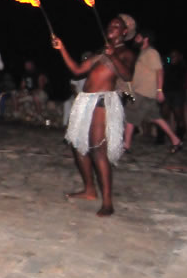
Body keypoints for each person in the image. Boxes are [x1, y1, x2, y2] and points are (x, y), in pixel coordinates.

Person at [52, 15, 136, 216]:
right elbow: (77, 69)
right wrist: (62, 48)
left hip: (103, 102)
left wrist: (113, 56)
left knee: (98, 150)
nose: (111, 27)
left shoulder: (125, 53)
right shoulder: (101, 52)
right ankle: (89, 190)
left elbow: (127, 75)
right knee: (78, 146)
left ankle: (108, 202)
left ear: (125, 32)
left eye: (117, 25)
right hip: (86, 101)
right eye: (110, 24)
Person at [122, 29, 183, 153]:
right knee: (156, 117)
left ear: (146, 39)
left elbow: (159, 71)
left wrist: (160, 90)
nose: (135, 39)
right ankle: (176, 141)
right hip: (145, 93)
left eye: (138, 37)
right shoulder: (143, 53)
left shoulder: (151, 52)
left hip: (143, 92)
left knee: (129, 116)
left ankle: (126, 146)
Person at [161, 49, 187, 141]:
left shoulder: (182, 67)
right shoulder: (166, 65)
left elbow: (183, 81)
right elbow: (164, 63)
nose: (173, 57)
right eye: (171, 56)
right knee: (164, 114)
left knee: (178, 115)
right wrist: (168, 60)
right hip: (166, 92)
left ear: (180, 57)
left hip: (178, 93)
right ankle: (160, 136)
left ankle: (180, 135)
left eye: (175, 56)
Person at [62, 52, 93, 127]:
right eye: (85, 58)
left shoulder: (94, 72)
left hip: (90, 97)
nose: (86, 60)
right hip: (77, 95)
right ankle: (64, 124)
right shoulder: (79, 72)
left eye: (88, 58)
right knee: (67, 103)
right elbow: (72, 86)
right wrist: (76, 95)